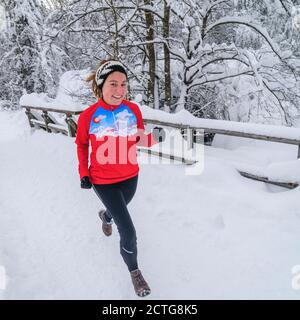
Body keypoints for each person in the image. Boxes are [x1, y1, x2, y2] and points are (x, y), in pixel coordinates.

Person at [75, 59, 165, 297]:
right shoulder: (88, 117)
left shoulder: (133, 110)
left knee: (117, 211)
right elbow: (82, 145)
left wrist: (154, 138)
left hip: (130, 176)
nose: (119, 90)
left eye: (123, 84)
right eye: (113, 84)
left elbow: (137, 138)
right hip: (102, 180)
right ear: (101, 86)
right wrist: (83, 173)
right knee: (128, 230)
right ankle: (135, 272)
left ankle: (106, 215)